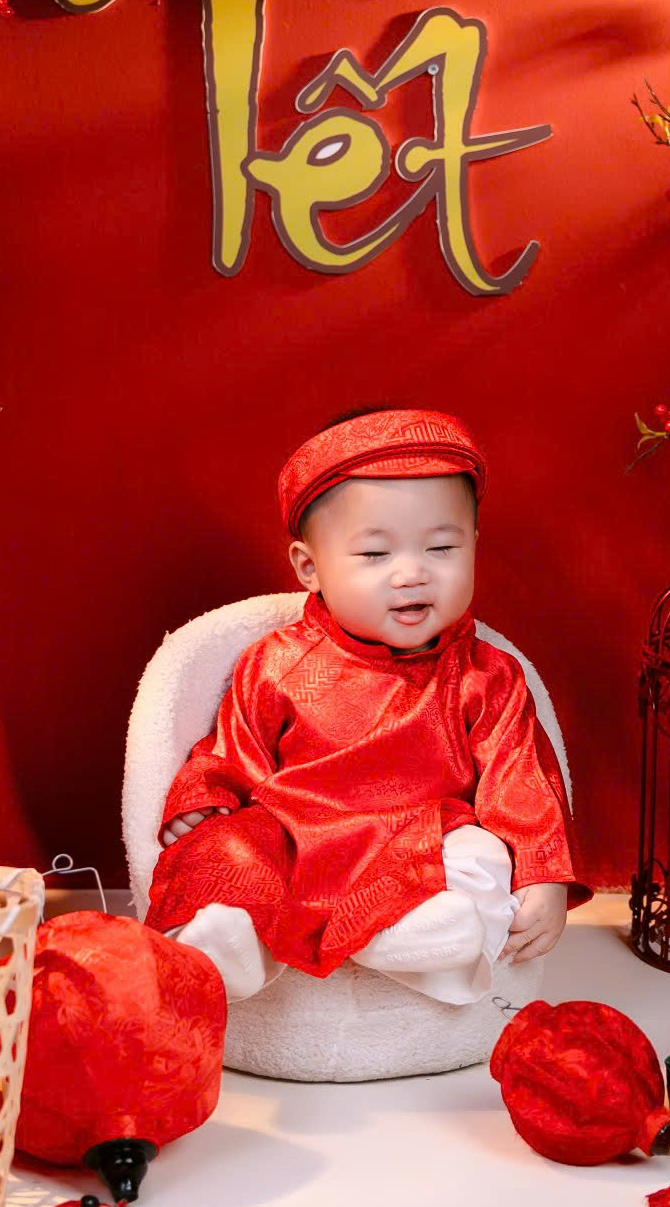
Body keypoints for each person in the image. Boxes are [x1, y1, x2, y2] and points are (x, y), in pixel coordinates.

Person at [145, 408, 585, 1004]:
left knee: (482, 856)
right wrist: (205, 796)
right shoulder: (278, 663)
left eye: (442, 547)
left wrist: (543, 871)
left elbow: (521, 782)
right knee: (225, 850)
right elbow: (233, 751)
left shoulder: (486, 676)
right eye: (375, 555)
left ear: (474, 548)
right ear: (310, 568)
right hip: (296, 833)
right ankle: (231, 944)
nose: (412, 573)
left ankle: (414, 935)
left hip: (419, 840)